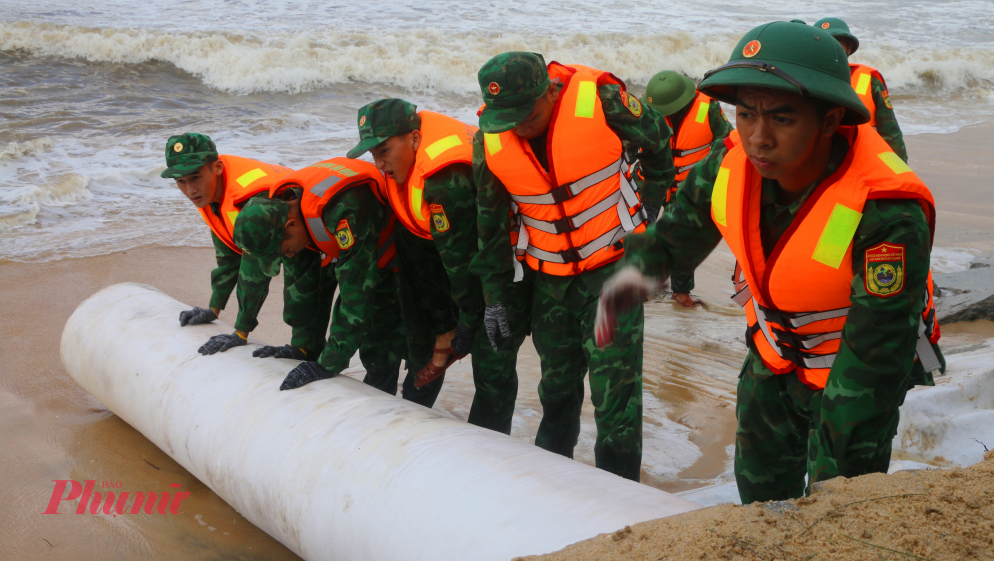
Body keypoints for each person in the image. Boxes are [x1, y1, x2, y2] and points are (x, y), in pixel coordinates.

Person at [596, 21, 945, 502]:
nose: (758, 138)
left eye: (782, 119)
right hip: (774, 355)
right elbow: (677, 232)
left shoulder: (885, 210)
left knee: (838, 502)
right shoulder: (731, 161)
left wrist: (842, 449)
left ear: (829, 120)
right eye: (745, 114)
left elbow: (876, 355)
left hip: (854, 372)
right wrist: (630, 278)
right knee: (759, 496)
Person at [472, 52, 674, 479]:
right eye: (505, 118)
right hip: (551, 286)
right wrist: (494, 299)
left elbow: (659, 138)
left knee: (615, 399)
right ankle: (554, 485)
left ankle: (621, 500)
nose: (518, 127)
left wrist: (652, 209)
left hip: (614, 272)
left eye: (526, 115)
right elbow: (489, 231)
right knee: (557, 392)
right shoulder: (489, 141)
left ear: (551, 90)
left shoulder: (602, 100)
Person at [346, 99, 529, 433]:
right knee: (428, 339)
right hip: (453, 254)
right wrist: (443, 328)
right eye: (373, 154)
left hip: (505, 266)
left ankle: (490, 453)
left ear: (415, 139)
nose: (380, 163)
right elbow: (421, 254)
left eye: (384, 151)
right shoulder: (404, 169)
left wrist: (466, 324)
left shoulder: (446, 183)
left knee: (491, 366)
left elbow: (462, 268)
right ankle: (407, 424)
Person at [228, 157, 414, 399]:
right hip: (362, 248)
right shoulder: (282, 204)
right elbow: (301, 282)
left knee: (379, 345)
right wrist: (301, 347)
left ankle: (393, 413)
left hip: (401, 254)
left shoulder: (343, 210)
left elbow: (356, 291)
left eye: (286, 251)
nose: (289, 255)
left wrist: (328, 362)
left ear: (292, 225)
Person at [161, 133, 330, 358]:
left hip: (306, 232)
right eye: (181, 181)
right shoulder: (208, 193)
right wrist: (214, 307)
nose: (190, 189)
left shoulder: (249, 199)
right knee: (298, 293)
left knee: (299, 293)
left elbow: (254, 272)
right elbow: (228, 254)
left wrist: (240, 333)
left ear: (217, 167)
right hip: (286, 228)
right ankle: (305, 349)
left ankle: (306, 349)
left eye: (195, 178)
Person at [645, 70, 734, 307]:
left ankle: (681, 291)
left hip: (689, 185)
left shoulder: (709, 109)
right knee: (641, 231)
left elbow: (728, 143)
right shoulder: (649, 111)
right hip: (653, 181)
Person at [815, 17, 908, 161]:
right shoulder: (799, 80)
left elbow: (890, 132)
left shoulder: (871, 80)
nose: (831, 49)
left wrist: (901, 170)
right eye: (824, 43)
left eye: (837, 44)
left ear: (849, 48)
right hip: (815, 162)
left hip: (859, 159)